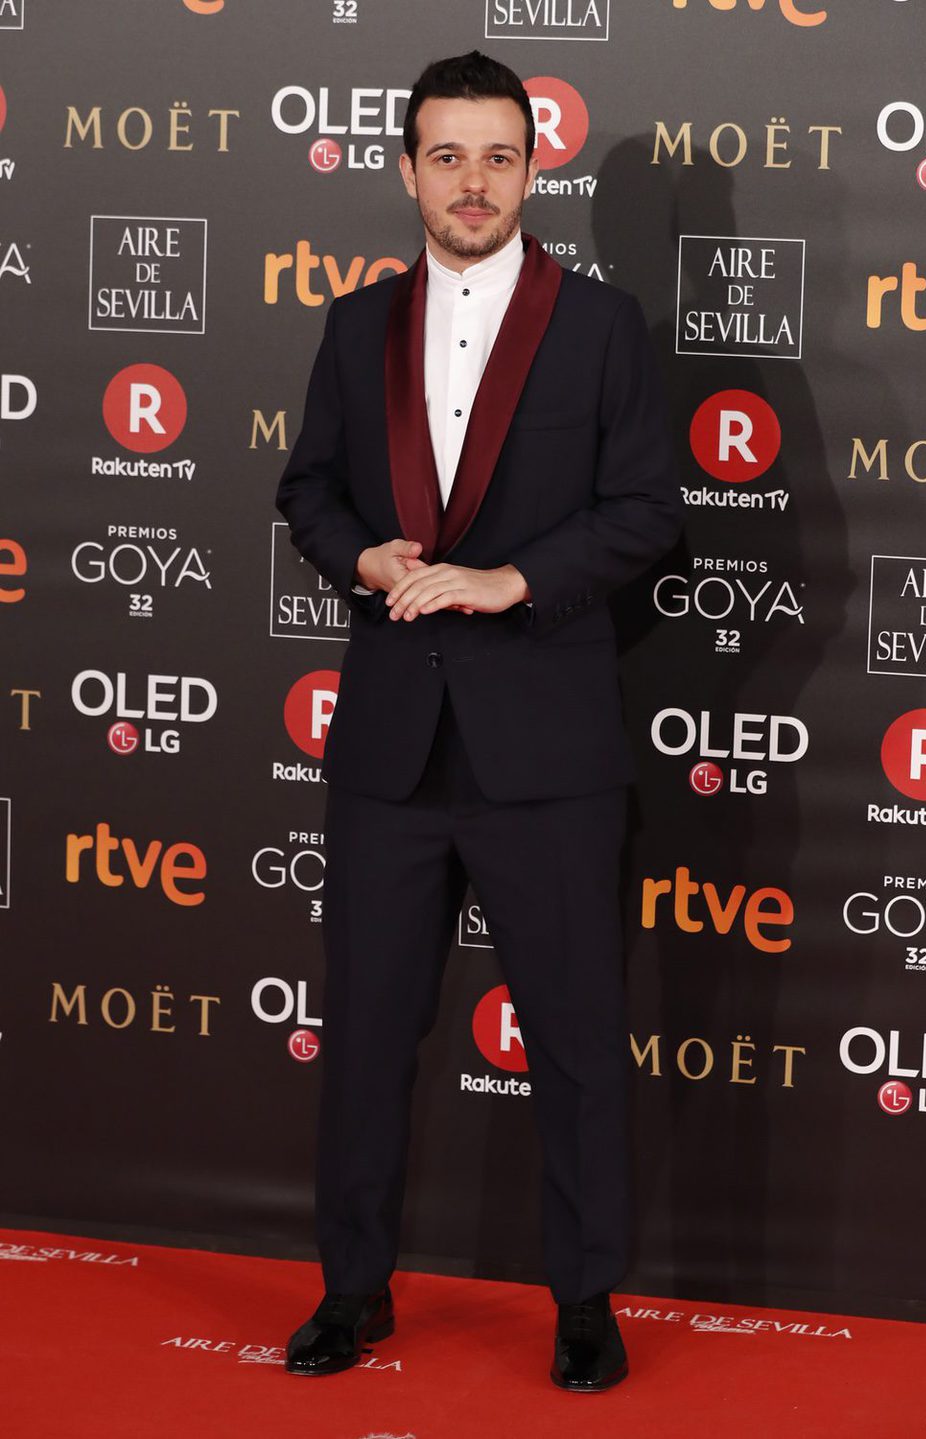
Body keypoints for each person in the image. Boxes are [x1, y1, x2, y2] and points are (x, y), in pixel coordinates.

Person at [276, 50, 682, 1392]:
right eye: (446, 155)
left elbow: (645, 511)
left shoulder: (604, 326)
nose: (473, 181)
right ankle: (352, 1291)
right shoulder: (354, 325)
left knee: (573, 1038)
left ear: (532, 166)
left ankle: (583, 1300)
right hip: (393, 744)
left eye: (497, 155)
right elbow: (309, 492)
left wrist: (513, 578)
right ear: (405, 169)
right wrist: (367, 562)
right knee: (369, 1039)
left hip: (548, 748)